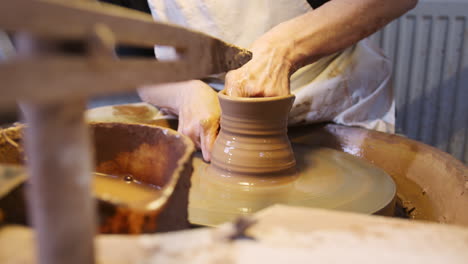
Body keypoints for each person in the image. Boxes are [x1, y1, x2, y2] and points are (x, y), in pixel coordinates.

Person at [138, 0, 418, 161]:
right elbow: (137, 63)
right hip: (208, 126)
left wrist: (283, 50)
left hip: (333, 99)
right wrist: (183, 94)